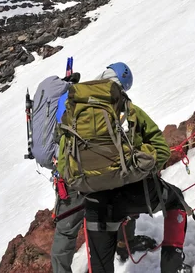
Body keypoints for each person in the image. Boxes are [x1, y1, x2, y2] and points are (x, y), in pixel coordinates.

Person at [63, 63, 194, 273]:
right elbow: (162, 150)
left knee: (101, 267)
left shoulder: (74, 118)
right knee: (175, 199)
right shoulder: (130, 111)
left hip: (95, 202)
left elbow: (64, 164)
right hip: (135, 193)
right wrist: (140, 167)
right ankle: (172, 267)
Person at [48, 70, 157, 273]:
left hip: (75, 173)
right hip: (104, 175)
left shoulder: (76, 97)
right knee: (121, 203)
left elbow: (61, 140)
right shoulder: (116, 105)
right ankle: (124, 245)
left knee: (68, 230)